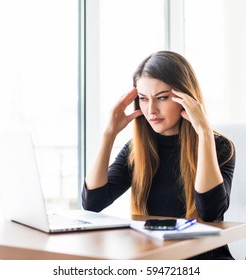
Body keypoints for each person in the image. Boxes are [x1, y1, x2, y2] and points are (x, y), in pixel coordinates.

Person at [82, 50, 236, 260]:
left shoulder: (220, 147)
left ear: (187, 98)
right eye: (143, 99)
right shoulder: (137, 150)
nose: (151, 110)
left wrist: (204, 134)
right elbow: (92, 203)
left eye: (162, 98)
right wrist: (109, 134)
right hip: (158, 261)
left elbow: (210, 213)